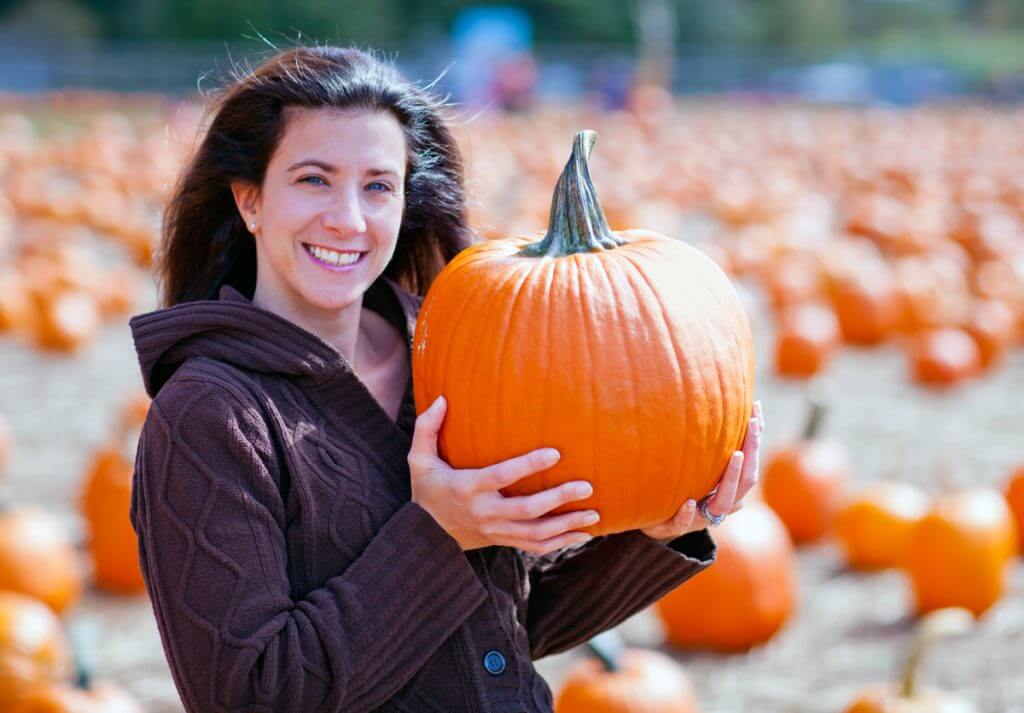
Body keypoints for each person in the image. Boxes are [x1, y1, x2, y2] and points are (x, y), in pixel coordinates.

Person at [129, 46, 764, 713]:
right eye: (314, 179)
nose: (349, 217)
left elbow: (507, 623)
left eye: (378, 185)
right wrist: (437, 533)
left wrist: (657, 532)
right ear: (251, 199)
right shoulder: (209, 415)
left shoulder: (451, 349)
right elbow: (252, 695)